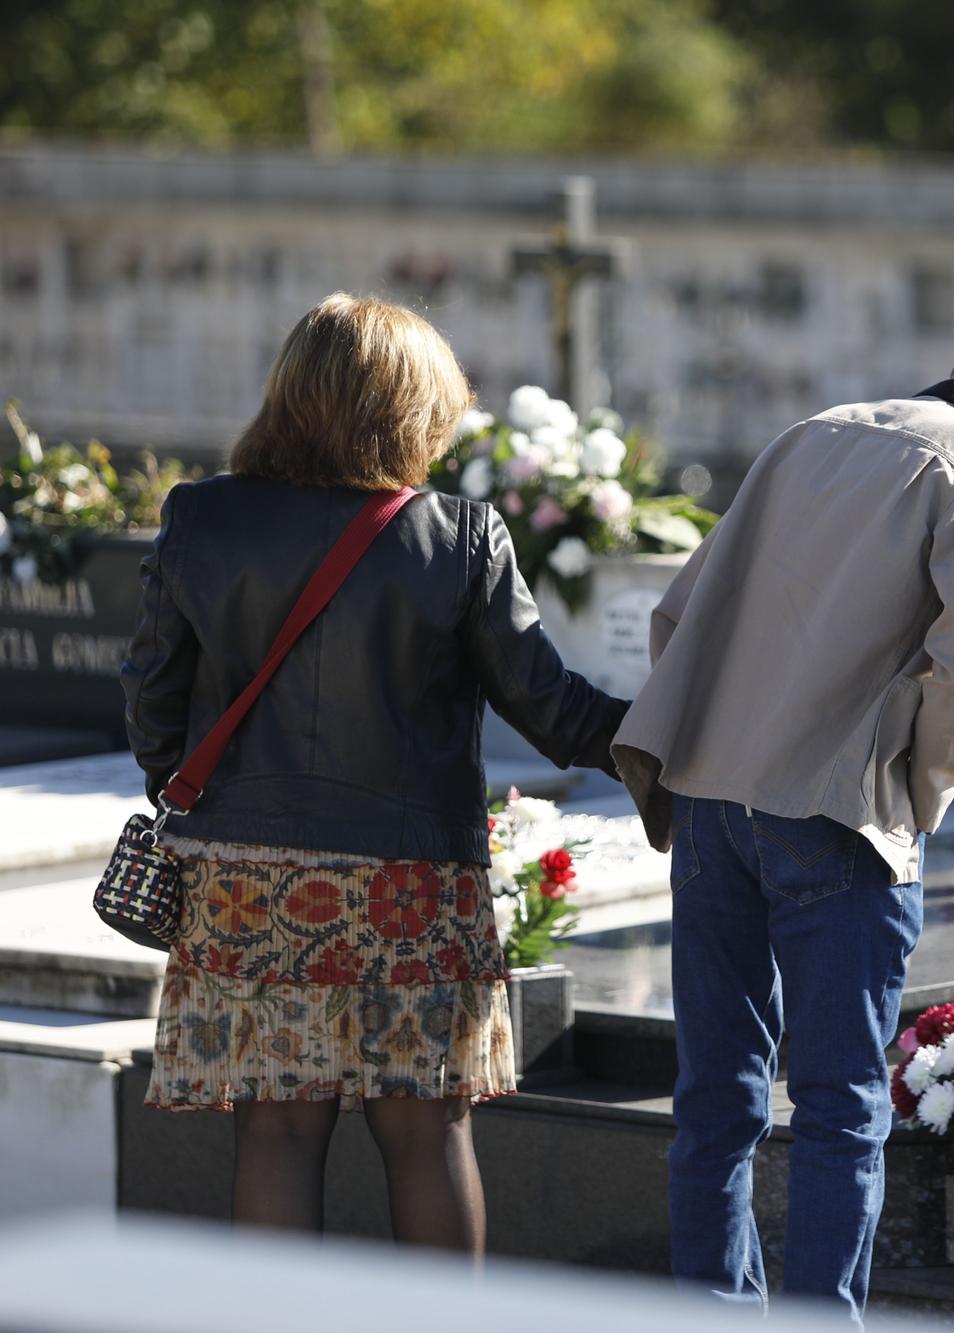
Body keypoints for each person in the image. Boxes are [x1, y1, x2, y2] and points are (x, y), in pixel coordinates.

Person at [612, 301, 954, 1319]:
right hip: (836, 811)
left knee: (713, 1098)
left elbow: (676, 610)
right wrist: (912, 798)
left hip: (706, 798)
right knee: (837, 1109)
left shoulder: (812, 433)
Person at [122, 293, 628, 1253]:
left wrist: (208, 794)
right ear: (414, 407)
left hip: (244, 880)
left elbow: (152, 697)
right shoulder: (461, 536)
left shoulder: (202, 517)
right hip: (412, 885)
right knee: (425, 1131)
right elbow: (555, 709)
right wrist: (686, 737)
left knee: (273, 1126)